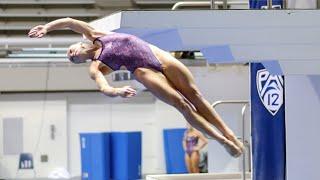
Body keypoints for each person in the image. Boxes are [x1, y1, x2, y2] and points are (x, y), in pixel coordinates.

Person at [28, 18, 244, 157]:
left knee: (194, 95)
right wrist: (117, 91)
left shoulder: (94, 34)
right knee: (183, 105)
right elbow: (104, 88)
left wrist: (46, 27)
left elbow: (69, 21)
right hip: (142, 70)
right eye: (70, 59)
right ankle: (222, 140)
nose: (71, 55)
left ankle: (228, 133)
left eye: (70, 51)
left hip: (156, 55)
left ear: (78, 44)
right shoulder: (95, 67)